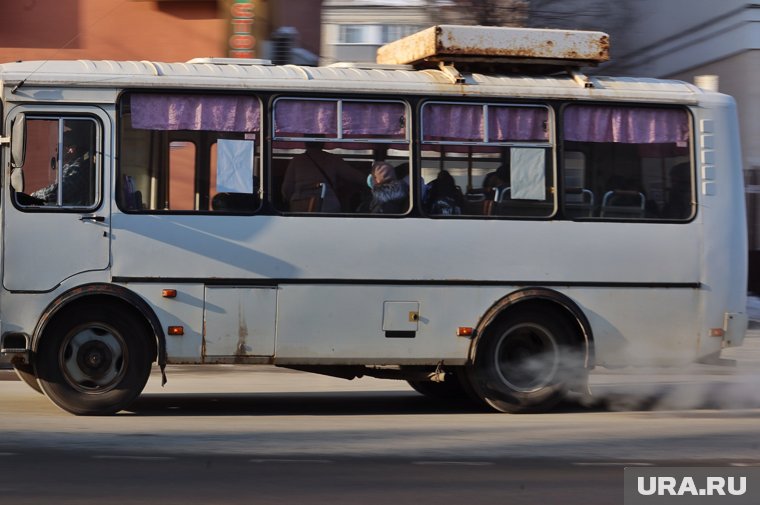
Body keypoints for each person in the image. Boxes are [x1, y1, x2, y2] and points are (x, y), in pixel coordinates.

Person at [281, 142, 366, 213]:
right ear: (323, 143)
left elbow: (287, 189)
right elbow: (354, 176)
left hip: (300, 206)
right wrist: (373, 180)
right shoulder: (332, 159)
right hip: (327, 205)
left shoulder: (296, 160)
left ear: (305, 143)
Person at [30, 139, 94, 206]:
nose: (58, 151)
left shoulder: (78, 167)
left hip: (73, 209)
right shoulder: (71, 165)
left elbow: (59, 191)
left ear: (72, 149)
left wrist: (34, 196)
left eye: (61, 147)